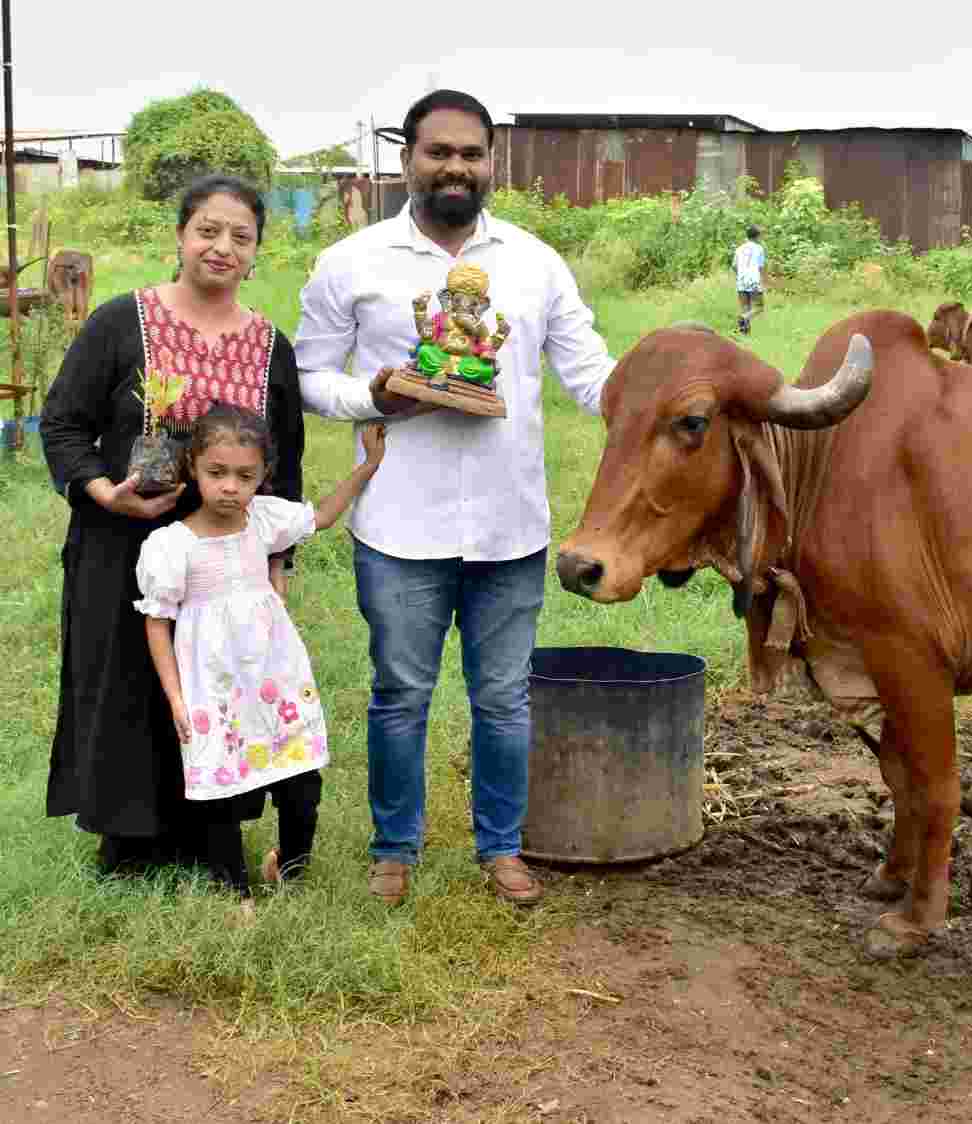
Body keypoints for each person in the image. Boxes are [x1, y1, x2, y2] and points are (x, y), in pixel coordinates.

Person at [294, 89, 615, 907]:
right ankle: (394, 849)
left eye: (471, 154)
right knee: (400, 695)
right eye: (439, 152)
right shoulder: (354, 261)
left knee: (504, 700)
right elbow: (308, 375)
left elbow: (589, 373)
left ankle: (501, 848)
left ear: (491, 162)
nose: (456, 168)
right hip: (401, 524)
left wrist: (669, 393)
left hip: (511, 526)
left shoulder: (534, 262)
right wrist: (377, 395)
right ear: (407, 159)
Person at [41, 175, 305, 876]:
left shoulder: (272, 348)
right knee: (127, 678)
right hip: (119, 541)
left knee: (215, 686)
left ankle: (205, 835)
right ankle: (128, 842)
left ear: (256, 253)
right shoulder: (119, 322)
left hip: (225, 559)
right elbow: (64, 422)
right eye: (207, 231)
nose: (221, 247)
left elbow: (287, 468)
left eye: (240, 236)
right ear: (180, 237)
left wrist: (278, 568)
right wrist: (105, 491)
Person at [134, 405, 384, 911]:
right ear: (192, 470)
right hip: (213, 685)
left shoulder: (264, 521)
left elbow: (323, 514)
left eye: (244, 476)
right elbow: (157, 622)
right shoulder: (170, 546)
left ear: (262, 475)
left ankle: (289, 869)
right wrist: (176, 697)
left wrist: (369, 463)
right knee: (221, 790)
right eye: (217, 473)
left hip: (275, 675)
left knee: (302, 781)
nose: (230, 487)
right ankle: (235, 893)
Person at [733, 225, 766, 334]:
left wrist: (740, 276)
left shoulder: (739, 249)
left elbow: (734, 266)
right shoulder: (759, 248)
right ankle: (743, 318)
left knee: (745, 307)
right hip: (753, 280)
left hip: (741, 280)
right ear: (757, 236)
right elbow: (760, 267)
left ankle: (745, 335)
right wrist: (762, 282)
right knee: (759, 307)